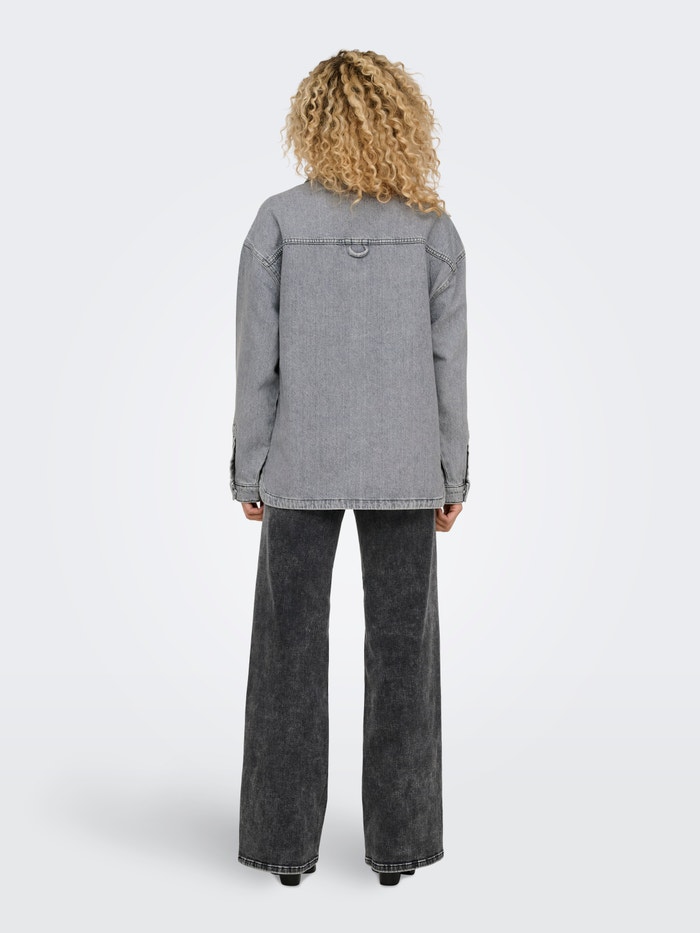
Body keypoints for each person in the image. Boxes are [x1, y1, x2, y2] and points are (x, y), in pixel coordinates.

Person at [229, 49, 470, 886]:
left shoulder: (277, 223)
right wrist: (452, 473)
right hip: (406, 466)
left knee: (287, 652)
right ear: (401, 119)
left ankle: (282, 849)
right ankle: (398, 850)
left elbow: (255, 362)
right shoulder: (431, 231)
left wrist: (250, 469)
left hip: (300, 462)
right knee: (405, 656)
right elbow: (449, 365)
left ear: (313, 122)